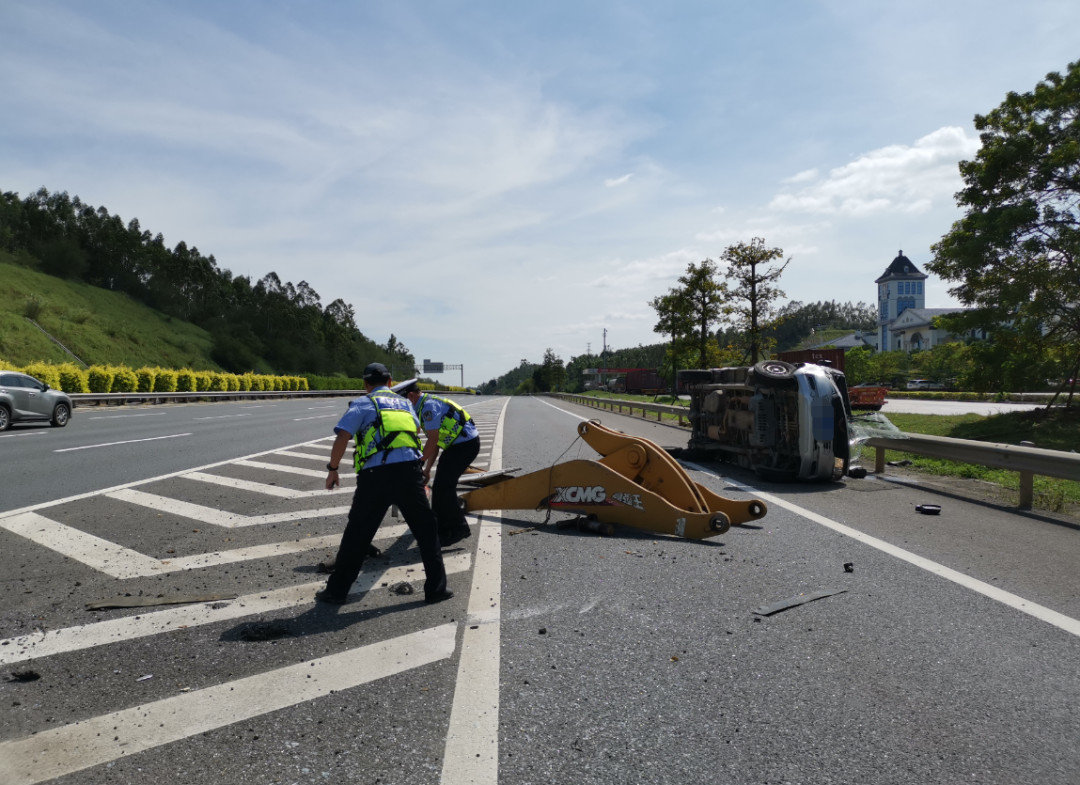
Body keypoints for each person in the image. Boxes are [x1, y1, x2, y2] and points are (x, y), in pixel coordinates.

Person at [315, 363, 452, 605]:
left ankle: (336, 592)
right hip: (410, 473)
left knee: (358, 533)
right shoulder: (406, 404)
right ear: (390, 383)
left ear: (365, 384)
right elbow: (416, 430)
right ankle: (436, 590)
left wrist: (333, 470)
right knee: (427, 530)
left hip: (375, 476)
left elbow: (343, 436)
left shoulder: (363, 403)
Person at [398, 380, 480, 547]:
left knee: (445, 486)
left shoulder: (428, 407)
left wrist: (419, 463)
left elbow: (433, 439)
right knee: (440, 485)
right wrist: (427, 469)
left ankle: (459, 528)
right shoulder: (420, 406)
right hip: (455, 446)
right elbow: (433, 443)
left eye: (401, 402)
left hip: (465, 445)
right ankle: (441, 528)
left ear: (411, 396)